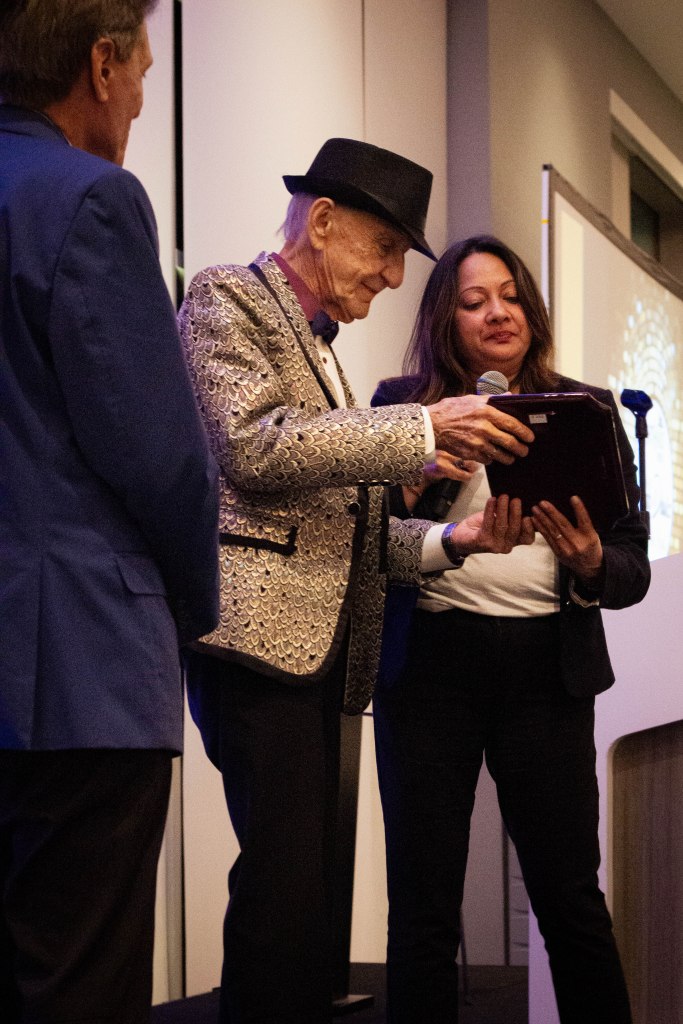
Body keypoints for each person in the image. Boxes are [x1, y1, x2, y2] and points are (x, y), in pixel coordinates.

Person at [178, 140, 538, 1024]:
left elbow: (347, 531)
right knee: (281, 894)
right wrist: (422, 426)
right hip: (260, 650)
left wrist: (456, 540)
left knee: (304, 900)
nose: (390, 276)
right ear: (323, 222)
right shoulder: (225, 295)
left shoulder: (324, 352)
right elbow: (254, 447)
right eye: (382, 249)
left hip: (323, 661)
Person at [0, 2, 219, 1020]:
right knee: (78, 983)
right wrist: (192, 608)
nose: (136, 102)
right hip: (75, 667)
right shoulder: (89, 198)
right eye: (139, 75)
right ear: (100, 65)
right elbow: (159, 454)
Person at [371, 234, 651, 1024]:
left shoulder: (585, 410)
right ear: (445, 321)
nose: (497, 313)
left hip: (545, 673)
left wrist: (590, 562)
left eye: (510, 296)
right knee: (422, 905)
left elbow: (630, 566)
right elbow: (364, 545)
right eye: (473, 301)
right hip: (429, 668)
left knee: (569, 900)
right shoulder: (403, 407)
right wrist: (433, 482)